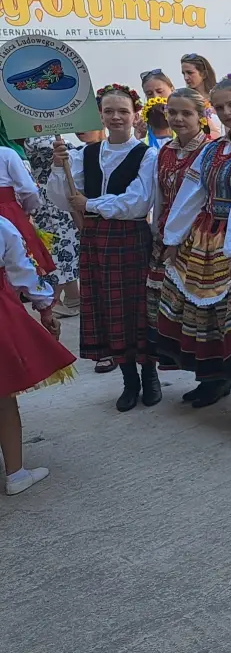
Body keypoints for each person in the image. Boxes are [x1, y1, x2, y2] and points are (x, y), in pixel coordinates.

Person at [154, 75, 231, 409]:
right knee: (200, 315)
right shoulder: (215, 148)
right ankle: (211, 379)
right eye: (220, 107)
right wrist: (174, 238)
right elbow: (192, 192)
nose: (227, 112)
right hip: (203, 236)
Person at [49, 85, 159, 412]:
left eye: (123, 111)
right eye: (109, 111)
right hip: (97, 240)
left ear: (134, 115)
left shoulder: (147, 154)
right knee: (108, 309)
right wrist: (59, 167)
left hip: (130, 239)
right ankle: (129, 380)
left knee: (137, 309)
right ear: (101, 115)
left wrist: (91, 204)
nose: (116, 117)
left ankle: (149, 375)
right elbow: (61, 197)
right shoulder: (86, 154)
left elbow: (138, 202)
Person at [0, 216, 75, 496]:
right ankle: (16, 474)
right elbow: (23, 272)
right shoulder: (2, 227)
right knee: (4, 401)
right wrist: (45, 308)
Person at [145, 89, 209, 381]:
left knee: (199, 313)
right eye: (173, 113)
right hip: (165, 238)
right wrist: (158, 232)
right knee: (166, 310)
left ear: (201, 116)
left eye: (187, 113)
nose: (179, 119)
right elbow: (159, 196)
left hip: (198, 241)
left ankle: (212, 379)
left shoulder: (211, 150)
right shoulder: (165, 151)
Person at [23, 134, 80, 317]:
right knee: (60, 248)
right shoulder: (36, 140)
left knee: (68, 246)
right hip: (49, 201)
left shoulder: (35, 138)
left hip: (53, 196)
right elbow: (68, 151)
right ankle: (54, 298)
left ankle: (73, 295)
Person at [0, 133, 55, 278]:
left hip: (8, 210)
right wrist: (26, 210)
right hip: (8, 213)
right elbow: (29, 189)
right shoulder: (7, 154)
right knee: (18, 265)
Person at [178, 53, 224, 138]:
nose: (186, 78)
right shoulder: (185, 98)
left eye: (190, 73)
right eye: (183, 73)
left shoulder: (219, 97)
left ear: (204, 74)